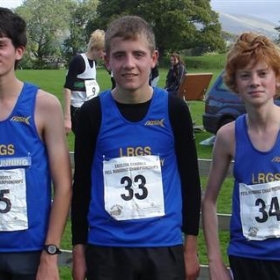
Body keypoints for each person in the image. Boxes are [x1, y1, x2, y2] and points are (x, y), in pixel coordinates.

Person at [71, 15, 201, 280]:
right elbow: (82, 184)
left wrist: (190, 248)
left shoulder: (174, 110)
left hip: (163, 246)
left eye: (138, 55)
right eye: (119, 56)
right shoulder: (91, 113)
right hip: (106, 248)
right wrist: (79, 251)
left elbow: (190, 182)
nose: (129, 64)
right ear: (107, 60)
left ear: (153, 59)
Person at [0, 7, 72, 280]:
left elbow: (64, 185)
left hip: (29, 251)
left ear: (19, 51)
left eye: (1, 45)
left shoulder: (44, 105)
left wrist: (51, 252)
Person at [202, 32, 280, 280]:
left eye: (262, 73)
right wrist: (215, 262)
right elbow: (209, 201)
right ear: (235, 84)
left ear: (276, 79)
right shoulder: (228, 136)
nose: (255, 82)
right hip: (246, 258)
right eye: (245, 75)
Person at [63, 29, 105, 134]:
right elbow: (67, 88)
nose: (104, 54)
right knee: (86, 142)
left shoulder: (94, 63)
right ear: (96, 47)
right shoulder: (79, 61)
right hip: (78, 109)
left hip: (89, 108)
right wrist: (67, 119)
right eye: (103, 50)